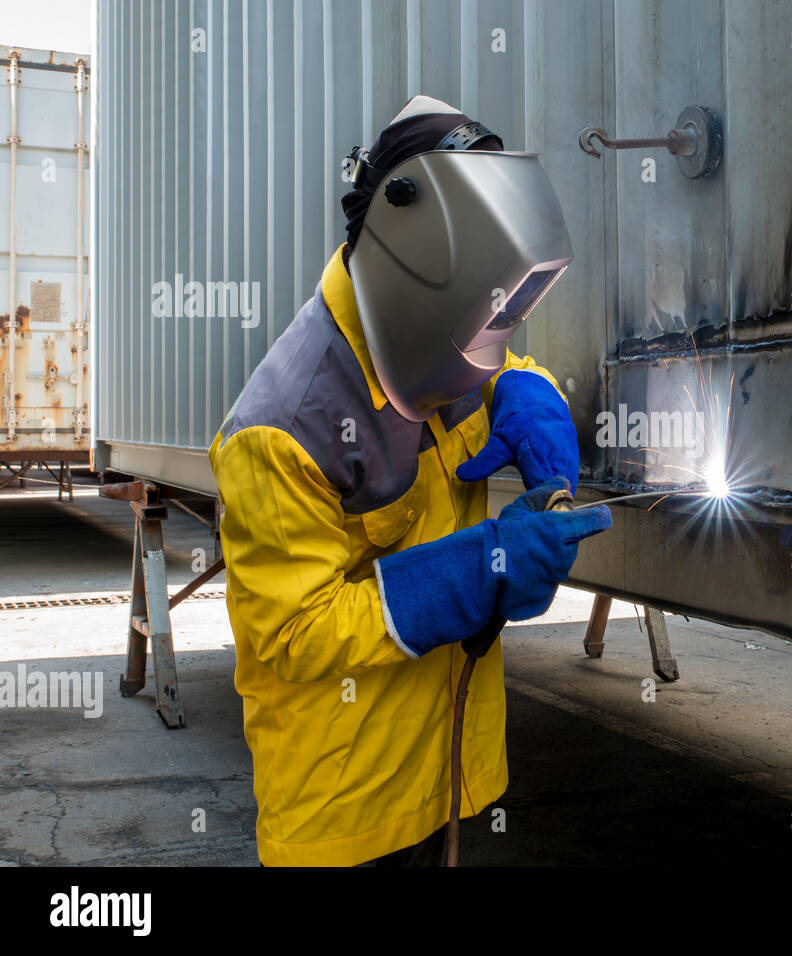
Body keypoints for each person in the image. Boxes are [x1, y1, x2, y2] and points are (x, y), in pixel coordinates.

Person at [207, 95, 611, 867]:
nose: (491, 344)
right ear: (413, 259)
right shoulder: (282, 427)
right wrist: (478, 572)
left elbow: (499, 364)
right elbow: (293, 634)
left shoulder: (441, 337)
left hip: (455, 772)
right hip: (347, 813)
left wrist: (537, 399)